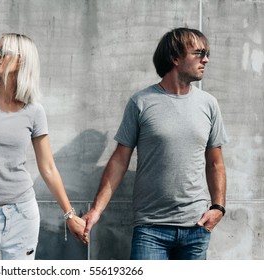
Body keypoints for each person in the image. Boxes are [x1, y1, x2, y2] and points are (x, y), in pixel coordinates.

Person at [82, 27, 228, 260]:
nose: (206, 59)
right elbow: (120, 160)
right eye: (199, 53)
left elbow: (215, 163)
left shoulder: (209, 104)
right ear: (175, 58)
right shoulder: (141, 102)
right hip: (151, 229)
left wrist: (218, 208)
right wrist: (96, 210)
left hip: (197, 227)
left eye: (206, 53)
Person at [0, 33, 87, 260]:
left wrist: (70, 215)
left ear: (21, 60)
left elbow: (48, 168)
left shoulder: (34, 111)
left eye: (2, 51)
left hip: (22, 214)